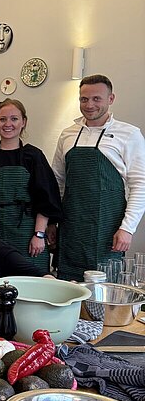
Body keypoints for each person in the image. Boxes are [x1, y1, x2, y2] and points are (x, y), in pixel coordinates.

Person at [51, 74, 145, 281]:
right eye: (84, 99)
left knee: (103, 289)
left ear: (111, 99)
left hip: (108, 228)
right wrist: (51, 222)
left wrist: (127, 228)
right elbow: (57, 181)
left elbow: (140, 185)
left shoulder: (129, 134)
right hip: (71, 226)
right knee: (67, 287)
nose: (89, 105)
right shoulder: (68, 134)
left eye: (96, 99)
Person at [0, 99, 62, 274]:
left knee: (31, 279)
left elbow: (45, 199)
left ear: (24, 122)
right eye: (2, 119)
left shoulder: (33, 156)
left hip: (27, 232)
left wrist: (39, 235)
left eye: (14, 119)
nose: (8, 124)